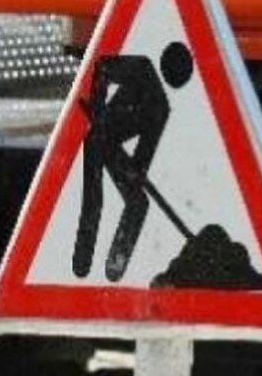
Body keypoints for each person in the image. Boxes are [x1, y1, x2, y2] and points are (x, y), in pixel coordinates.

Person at [73, 41, 193, 282]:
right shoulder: (140, 68)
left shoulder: (160, 109)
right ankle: (82, 261)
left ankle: (116, 263)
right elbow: (102, 67)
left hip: (113, 145)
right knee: (94, 199)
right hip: (98, 135)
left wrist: (135, 171)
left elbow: (142, 157)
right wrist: (98, 107)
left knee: (138, 202)